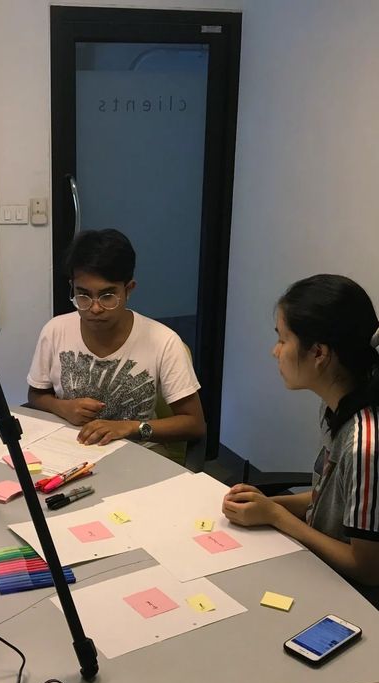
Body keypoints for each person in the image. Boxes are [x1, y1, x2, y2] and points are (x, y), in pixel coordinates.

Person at [222, 274, 379, 604]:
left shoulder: (365, 442)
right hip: (319, 568)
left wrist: (276, 517)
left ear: (319, 352)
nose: (274, 351)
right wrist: (267, 506)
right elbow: (333, 497)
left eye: (282, 339)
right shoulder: (335, 406)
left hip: (352, 596)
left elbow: (367, 568)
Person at [27, 228, 205, 446]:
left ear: (128, 290)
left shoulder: (164, 342)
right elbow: (35, 395)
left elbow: (194, 424)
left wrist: (130, 427)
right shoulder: (55, 330)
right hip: (71, 450)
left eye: (107, 296)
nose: (94, 308)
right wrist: (62, 407)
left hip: (138, 457)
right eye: (83, 295)